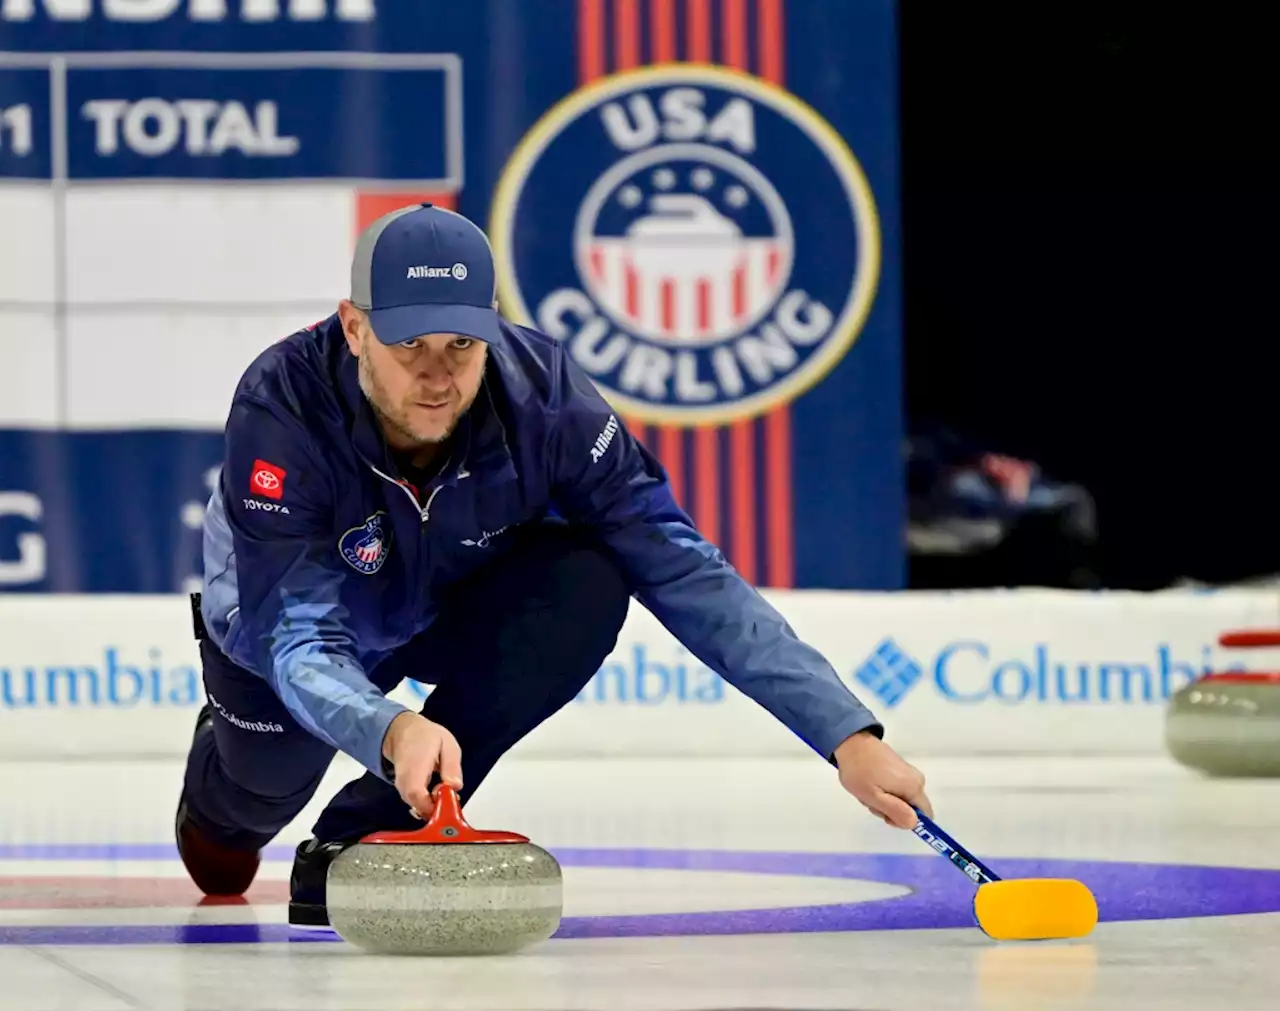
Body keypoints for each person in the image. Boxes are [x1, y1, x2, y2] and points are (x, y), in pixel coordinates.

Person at [177, 203, 933, 927]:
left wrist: (846, 734)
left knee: (589, 579)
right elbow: (298, 635)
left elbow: (680, 567)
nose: (438, 376)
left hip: (443, 601)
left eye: (461, 345)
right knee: (240, 824)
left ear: (492, 327)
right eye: (409, 345)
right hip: (289, 633)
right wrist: (388, 728)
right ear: (354, 326)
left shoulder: (546, 401)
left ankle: (364, 830)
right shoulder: (282, 405)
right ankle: (229, 773)